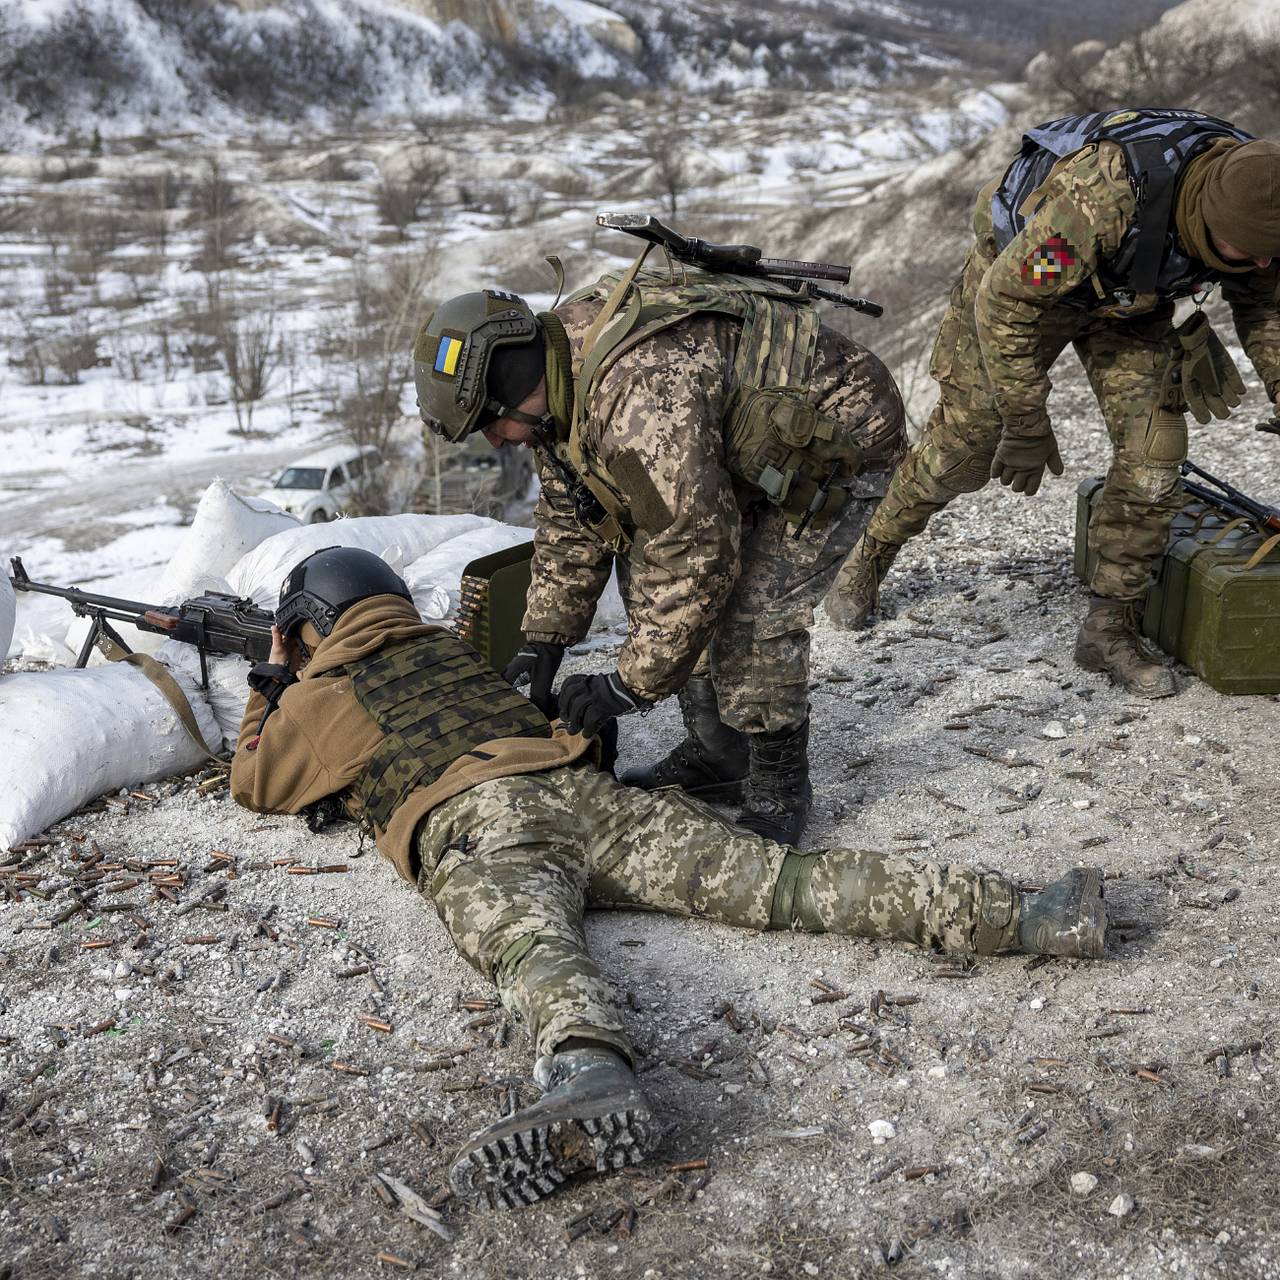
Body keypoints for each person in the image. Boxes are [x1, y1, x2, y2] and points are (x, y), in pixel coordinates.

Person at [230, 546, 1108, 1211]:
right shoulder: (454, 658)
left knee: (534, 948)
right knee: (784, 881)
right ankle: (1031, 914)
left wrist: (269, 683)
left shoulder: (316, 699)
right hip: (586, 795)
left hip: (481, 829)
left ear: (309, 625)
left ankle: (589, 1074)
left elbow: (255, 782)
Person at [411, 253, 908, 846]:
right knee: (655, 575)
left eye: (490, 424)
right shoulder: (558, 386)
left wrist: (627, 685)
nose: (493, 441)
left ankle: (777, 787)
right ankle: (720, 759)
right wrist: (543, 641)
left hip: (839, 433)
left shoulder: (635, 397)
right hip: (738, 445)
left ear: (514, 389)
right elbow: (573, 514)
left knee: (752, 615)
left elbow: (698, 560)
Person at [826, 109, 1280, 698]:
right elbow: (1007, 305)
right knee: (967, 445)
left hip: (1131, 307)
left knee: (1154, 461)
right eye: (1245, 253)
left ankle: (1108, 627)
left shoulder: (1262, 200)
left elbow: (1267, 305)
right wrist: (1025, 419)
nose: (1263, 264)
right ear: (1206, 218)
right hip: (1020, 293)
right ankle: (873, 550)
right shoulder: (1099, 202)